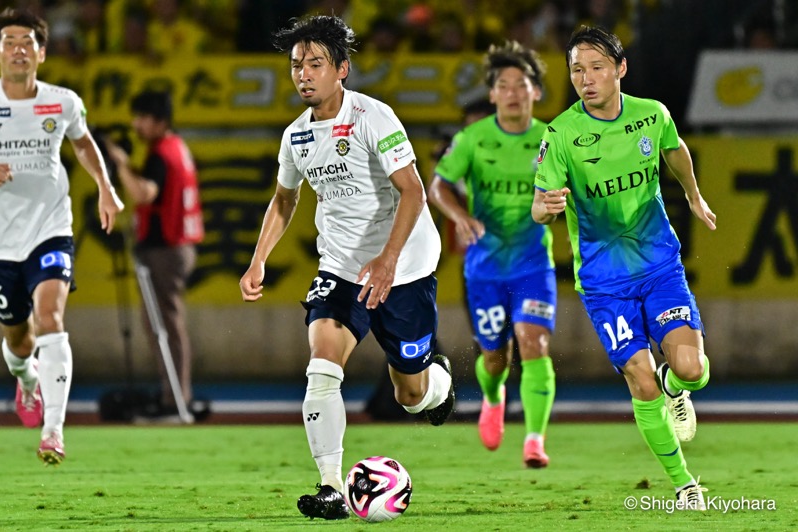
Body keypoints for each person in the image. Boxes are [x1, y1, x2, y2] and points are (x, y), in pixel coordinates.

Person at [239, 15, 454, 521]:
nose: (303, 74)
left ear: (342, 69)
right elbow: (284, 200)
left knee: (411, 395)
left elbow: (413, 191)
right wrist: (258, 259)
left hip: (405, 267)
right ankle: (331, 486)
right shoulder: (295, 137)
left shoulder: (373, 117)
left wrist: (388, 259)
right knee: (322, 366)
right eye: (297, 65)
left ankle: (437, 384)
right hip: (340, 268)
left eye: (315, 63)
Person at [532, 26, 716, 509]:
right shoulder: (561, 134)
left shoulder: (651, 115)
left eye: (596, 67)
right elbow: (539, 205)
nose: (586, 79)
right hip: (604, 282)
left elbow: (674, 149)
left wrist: (694, 195)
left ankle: (677, 388)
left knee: (693, 370)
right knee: (640, 377)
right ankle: (684, 483)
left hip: (659, 267)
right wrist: (546, 208)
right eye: (577, 70)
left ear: (620, 69)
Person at [0, 8, 124, 464]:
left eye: (26, 42)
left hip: (50, 229)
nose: (18, 49)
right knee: (18, 340)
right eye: (9, 41)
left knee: (50, 317)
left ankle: (53, 431)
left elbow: (83, 141)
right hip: (2, 243)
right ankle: (27, 379)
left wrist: (105, 187)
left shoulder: (63, 102)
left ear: (42, 53)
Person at [429, 41, 557, 468]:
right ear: (492, 94)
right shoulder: (473, 139)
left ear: (536, 92)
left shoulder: (552, 139)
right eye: (504, 85)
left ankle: (535, 440)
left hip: (534, 265)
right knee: (496, 359)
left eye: (521, 84)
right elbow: (437, 187)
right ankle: (492, 395)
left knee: (534, 343)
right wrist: (460, 216)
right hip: (485, 268)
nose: (513, 92)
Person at [105, 90, 204, 417]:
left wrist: (121, 165)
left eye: (142, 118)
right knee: (163, 323)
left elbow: (144, 193)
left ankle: (176, 399)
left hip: (166, 249)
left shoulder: (161, 153)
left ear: (160, 120)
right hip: (176, 246)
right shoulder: (175, 147)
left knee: (165, 326)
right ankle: (173, 396)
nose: (136, 125)